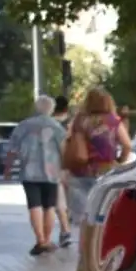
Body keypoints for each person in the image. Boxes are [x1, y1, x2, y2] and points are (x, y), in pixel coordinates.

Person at [5, 95, 69, 256]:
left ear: (36, 107)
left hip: (29, 171)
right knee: (49, 206)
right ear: (51, 109)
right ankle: (46, 240)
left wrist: (8, 169)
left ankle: (40, 239)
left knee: (34, 205)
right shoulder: (57, 127)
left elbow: (12, 149)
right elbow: (64, 151)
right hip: (52, 172)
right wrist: (65, 170)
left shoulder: (23, 126)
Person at [63, 87, 132, 226]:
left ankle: (84, 243)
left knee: (83, 219)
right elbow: (127, 145)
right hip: (106, 171)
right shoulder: (113, 121)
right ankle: (98, 243)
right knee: (103, 215)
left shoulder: (79, 120)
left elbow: (68, 142)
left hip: (80, 172)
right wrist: (120, 160)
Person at [51, 95, 73, 247]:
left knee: (59, 199)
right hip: (75, 164)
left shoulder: (49, 124)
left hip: (55, 165)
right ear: (66, 108)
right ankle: (67, 227)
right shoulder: (73, 123)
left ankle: (65, 229)